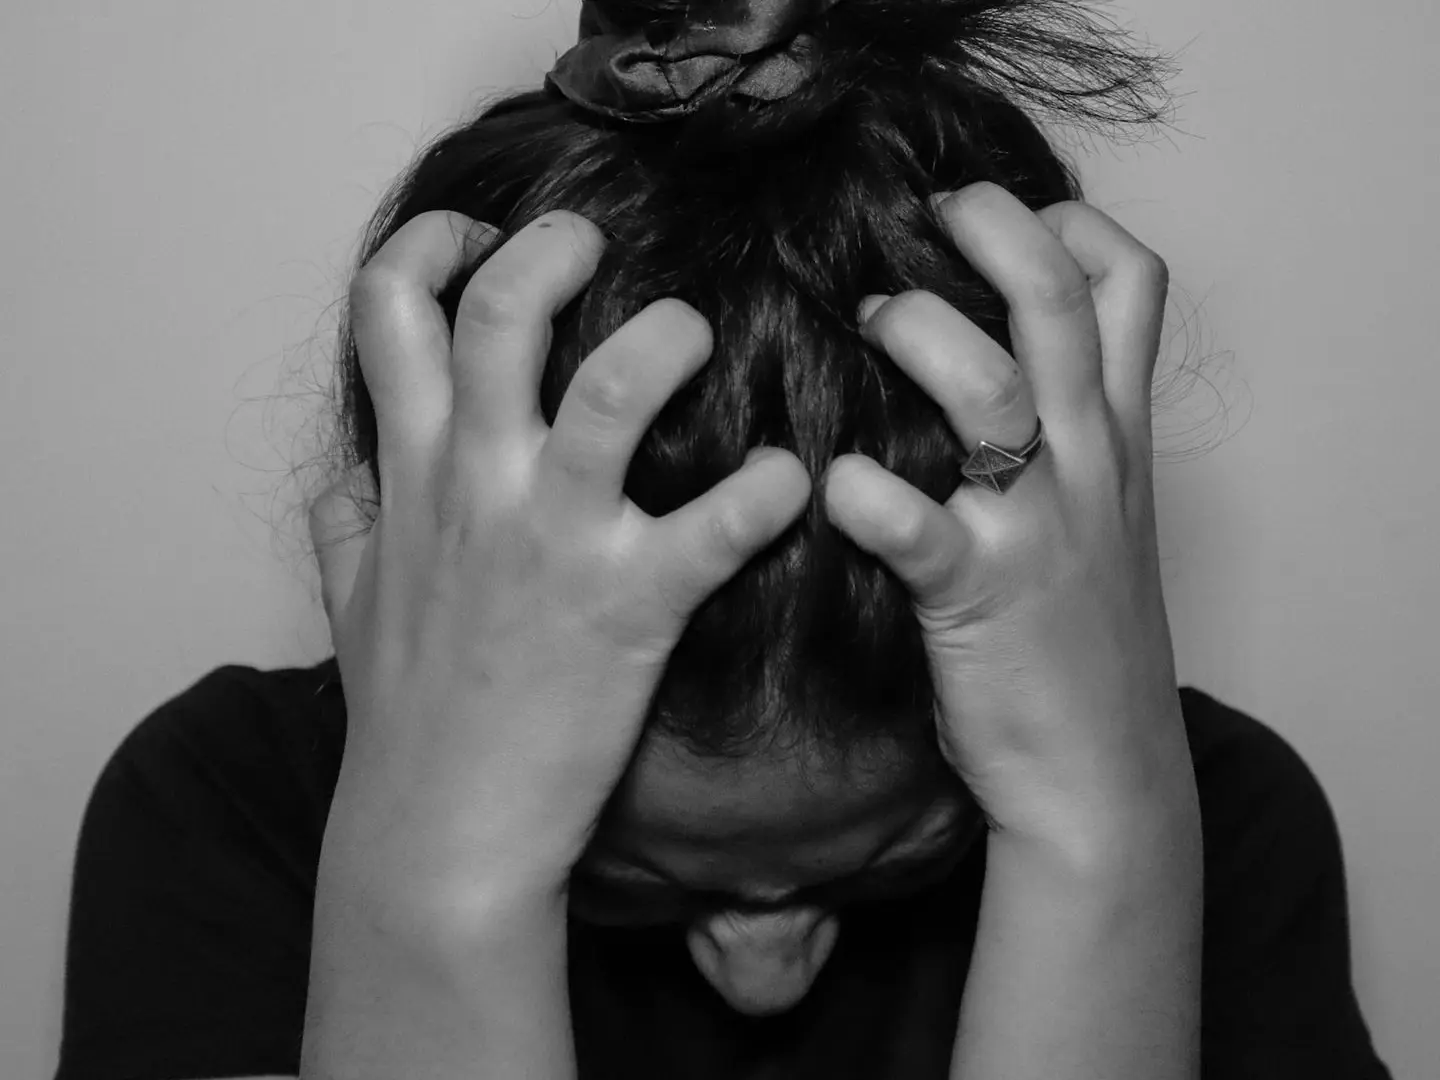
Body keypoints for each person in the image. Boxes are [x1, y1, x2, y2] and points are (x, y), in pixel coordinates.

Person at [54, 0, 1394, 1077]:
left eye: (898, 862)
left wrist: (1106, 836)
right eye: (620, 878)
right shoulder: (228, 814)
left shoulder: (1218, 824)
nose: (768, 976)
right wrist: (439, 883)